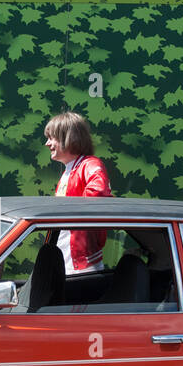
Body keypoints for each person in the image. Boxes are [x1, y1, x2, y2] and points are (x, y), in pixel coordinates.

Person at [44, 110, 112, 273]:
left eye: (51, 138)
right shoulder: (70, 170)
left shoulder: (90, 165)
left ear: (68, 137)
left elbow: (99, 194)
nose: (47, 143)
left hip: (82, 267)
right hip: (66, 263)